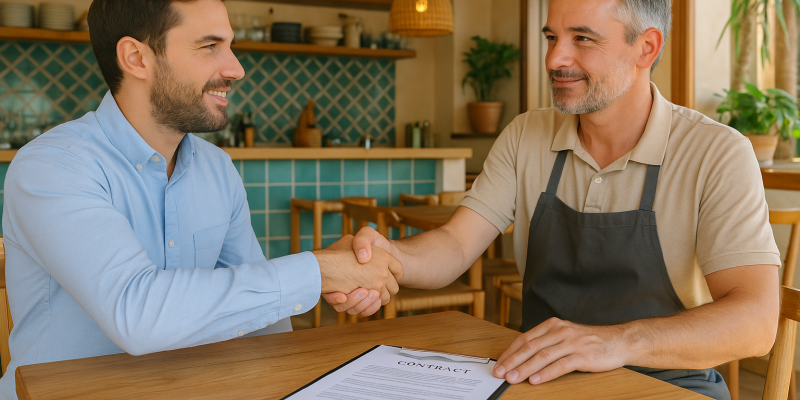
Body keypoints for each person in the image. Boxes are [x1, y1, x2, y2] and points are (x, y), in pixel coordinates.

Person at [325, 0, 781, 399]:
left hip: (668, 385)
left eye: (583, 38)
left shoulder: (716, 152)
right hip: (541, 378)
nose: (555, 58)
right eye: (551, 36)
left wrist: (614, 343)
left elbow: (756, 321)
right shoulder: (526, 135)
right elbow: (456, 245)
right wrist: (390, 258)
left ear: (647, 47)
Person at [0, 0, 397, 398]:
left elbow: (267, 327)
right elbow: (137, 314)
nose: (236, 69)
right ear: (136, 58)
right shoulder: (53, 166)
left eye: (230, 45)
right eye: (209, 47)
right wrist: (320, 271)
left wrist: (345, 275)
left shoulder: (217, 169)